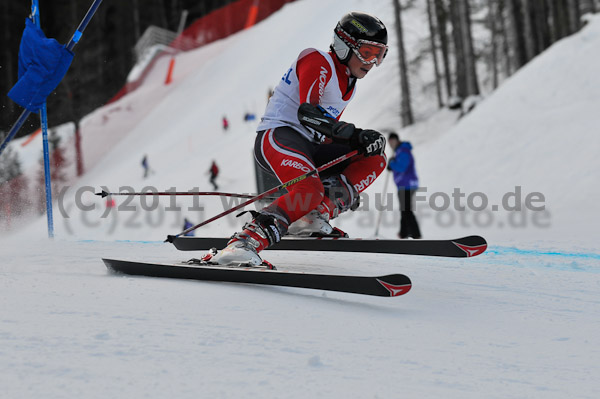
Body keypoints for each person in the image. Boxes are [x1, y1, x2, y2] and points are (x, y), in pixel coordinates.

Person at [207, 12, 389, 266]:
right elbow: (309, 114)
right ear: (344, 44)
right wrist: (354, 134)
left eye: (380, 55)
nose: (372, 62)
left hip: (309, 145)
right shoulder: (317, 60)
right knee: (308, 189)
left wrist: (358, 145)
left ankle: (312, 215)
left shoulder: (350, 83)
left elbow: (325, 133)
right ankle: (243, 243)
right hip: (278, 136)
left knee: (374, 157)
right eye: (368, 52)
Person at [387, 132, 421, 239]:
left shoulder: (403, 151)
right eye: (389, 142)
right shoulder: (399, 151)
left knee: (406, 210)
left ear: (397, 141)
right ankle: (404, 233)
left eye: (393, 141)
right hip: (404, 184)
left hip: (407, 184)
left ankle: (415, 234)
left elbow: (402, 167)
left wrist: (392, 164)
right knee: (404, 209)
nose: (391, 144)